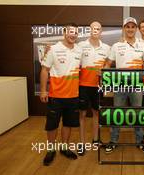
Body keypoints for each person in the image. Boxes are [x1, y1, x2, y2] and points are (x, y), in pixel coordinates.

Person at [104, 17, 144, 154]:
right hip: (120, 84)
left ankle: (140, 140)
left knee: (137, 113)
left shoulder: (143, 46)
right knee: (117, 113)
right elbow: (107, 64)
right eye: (127, 26)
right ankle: (113, 141)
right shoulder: (116, 46)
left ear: (136, 29)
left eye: (132, 27)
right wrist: (104, 75)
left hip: (137, 85)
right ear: (123, 28)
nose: (130, 29)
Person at [40, 23, 82, 166]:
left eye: (75, 32)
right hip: (55, 95)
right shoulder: (54, 49)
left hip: (73, 95)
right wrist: (44, 90)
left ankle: (64, 147)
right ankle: (51, 150)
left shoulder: (79, 50)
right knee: (52, 125)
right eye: (70, 32)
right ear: (64, 32)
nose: (73, 34)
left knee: (68, 124)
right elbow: (45, 70)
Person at [77, 21, 110, 156]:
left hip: (98, 86)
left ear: (101, 31)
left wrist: (105, 70)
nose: (95, 31)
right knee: (82, 114)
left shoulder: (106, 48)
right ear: (89, 30)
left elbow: (108, 64)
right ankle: (82, 143)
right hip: (83, 85)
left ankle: (96, 140)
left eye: (98, 29)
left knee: (97, 113)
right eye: (92, 28)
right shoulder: (80, 46)